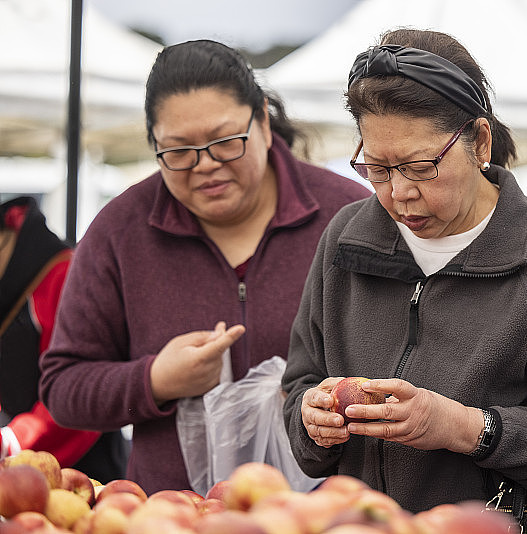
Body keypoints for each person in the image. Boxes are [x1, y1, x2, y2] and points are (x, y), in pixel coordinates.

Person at [281, 28, 527, 513]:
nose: (398, 193)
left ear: (479, 141)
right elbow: (299, 387)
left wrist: (466, 428)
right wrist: (312, 420)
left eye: (420, 166)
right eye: (377, 168)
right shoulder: (345, 239)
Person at [38, 40, 371, 494]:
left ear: (262, 122)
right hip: (171, 513)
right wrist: (155, 380)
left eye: (226, 142)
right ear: (155, 145)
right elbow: (62, 388)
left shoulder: (348, 216)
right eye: (179, 151)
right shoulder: (120, 230)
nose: (206, 165)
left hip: (329, 510)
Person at [0, 196, 127, 482]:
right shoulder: (10, 281)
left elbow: (83, 382)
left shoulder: (64, 273)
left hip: (82, 469)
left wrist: (13, 441)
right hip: (21, 467)